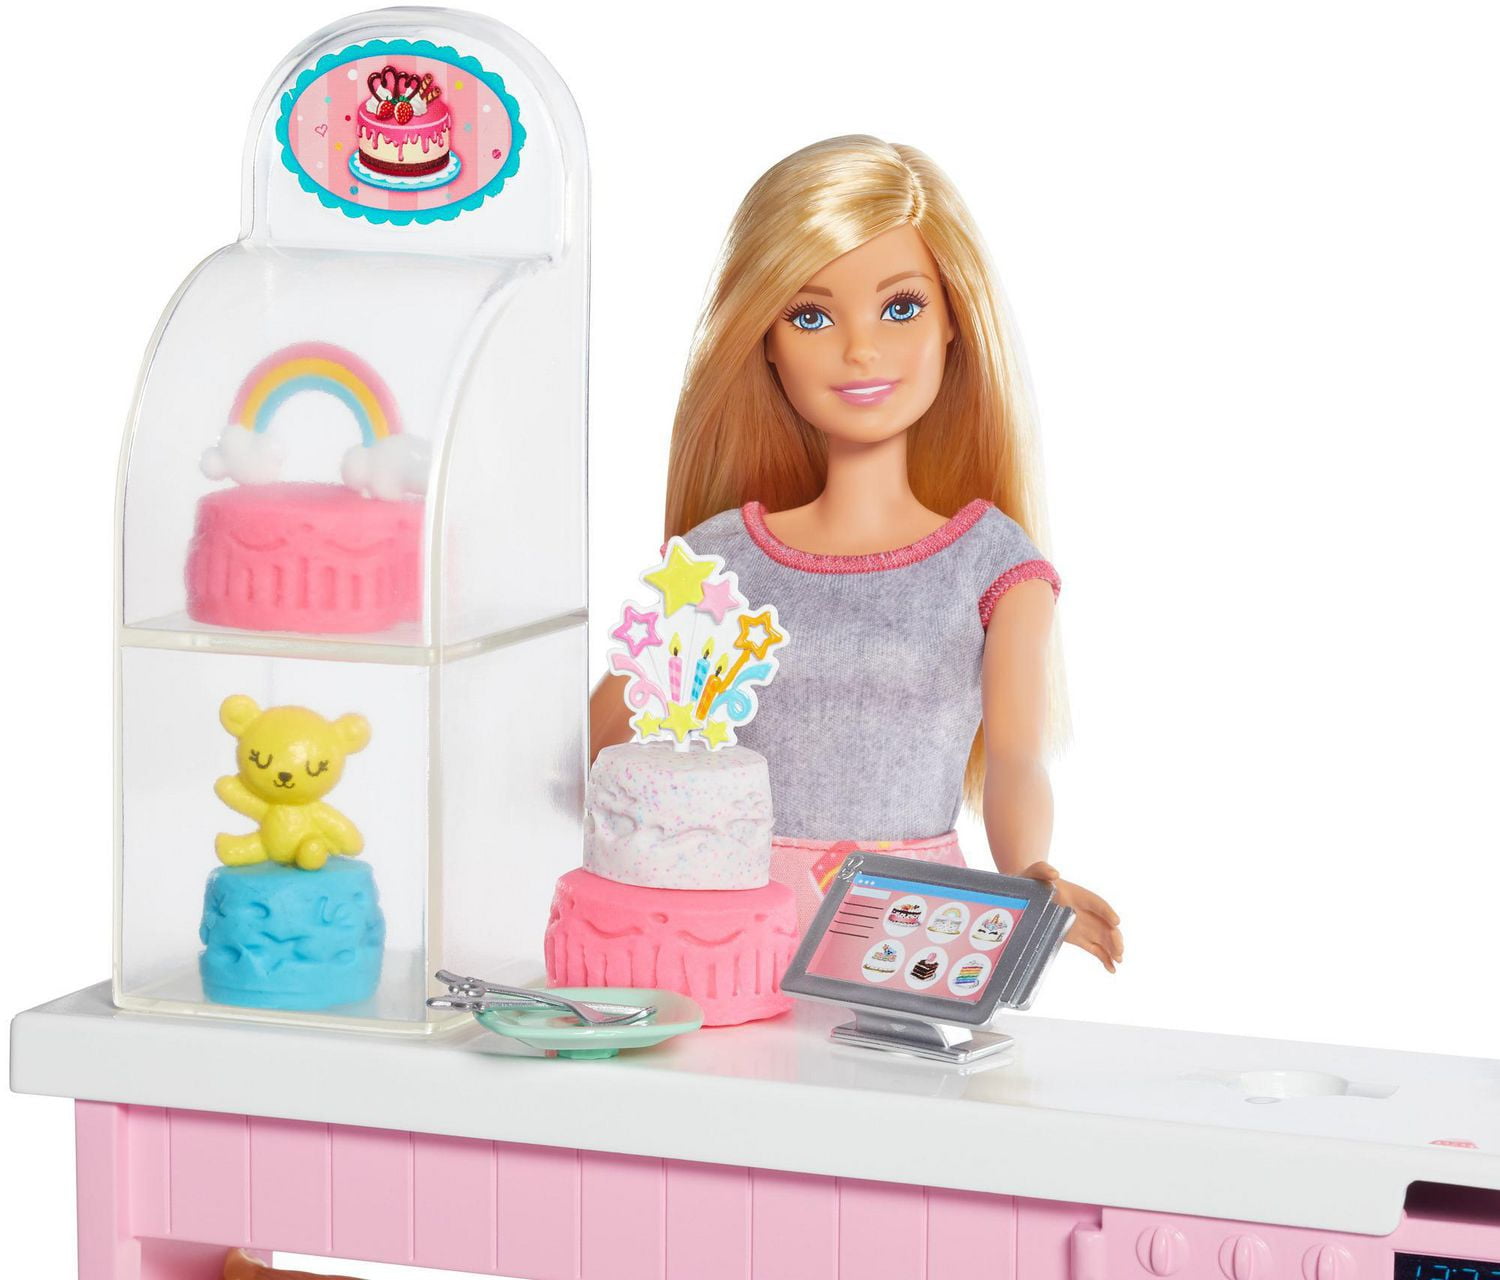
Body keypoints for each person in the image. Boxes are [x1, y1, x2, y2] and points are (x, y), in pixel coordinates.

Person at [592, 135, 1123, 972]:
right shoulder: (718, 559)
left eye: (900, 308)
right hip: (728, 925)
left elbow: (1017, 758)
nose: (861, 350)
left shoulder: (990, 563)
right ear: (765, 340)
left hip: (913, 932)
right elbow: (606, 745)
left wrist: (1030, 874)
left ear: (954, 321)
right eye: (810, 316)